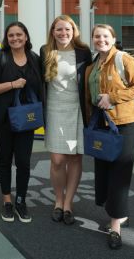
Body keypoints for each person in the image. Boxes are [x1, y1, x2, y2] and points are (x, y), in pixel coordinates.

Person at [84, 24, 134, 249]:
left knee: (119, 172)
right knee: (103, 170)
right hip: (102, 124)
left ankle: (115, 226)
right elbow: (89, 96)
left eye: (105, 36)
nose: (100, 39)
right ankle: (119, 214)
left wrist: (112, 98)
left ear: (113, 38)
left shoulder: (124, 60)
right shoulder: (93, 65)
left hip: (125, 124)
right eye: (96, 36)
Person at [0, 22, 44, 223]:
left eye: (19, 34)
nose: (15, 38)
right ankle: (7, 201)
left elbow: (41, 87)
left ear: (26, 37)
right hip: (3, 119)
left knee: (24, 162)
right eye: (11, 35)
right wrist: (12, 84)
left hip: (26, 118)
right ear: (7, 39)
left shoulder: (35, 59)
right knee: (5, 159)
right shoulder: (0, 58)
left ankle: (21, 200)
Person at [40, 15, 91, 225]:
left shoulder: (83, 52)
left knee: (75, 159)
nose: (63, 33)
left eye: (67, 29)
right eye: (59, 30)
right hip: (54, 110)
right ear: (53, 32)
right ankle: (58, 200)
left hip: (77, 110)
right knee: (57, 160)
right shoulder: (45, 51)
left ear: (74, 31)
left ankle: (67, 203)